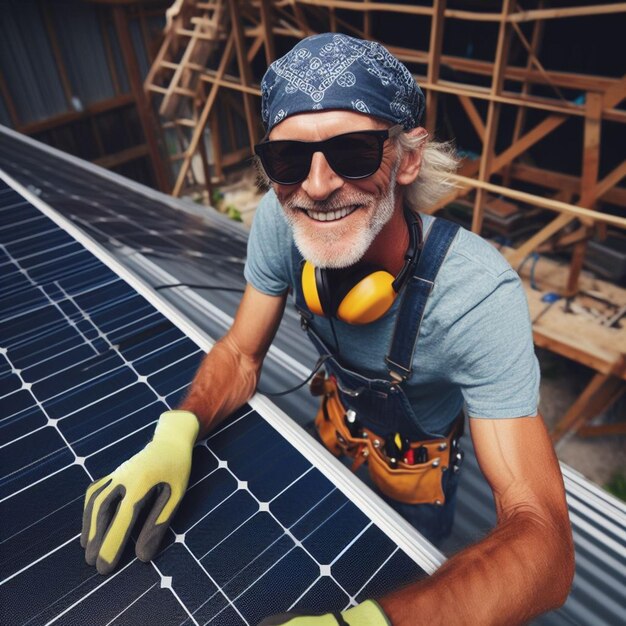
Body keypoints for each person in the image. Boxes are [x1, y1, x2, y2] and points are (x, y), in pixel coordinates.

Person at [81, 33, 574, 625]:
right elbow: (240, 353)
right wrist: (176, 429)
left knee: (399, 571)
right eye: (288, 160)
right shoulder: (277, 221)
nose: (316, 186)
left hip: (412, 483)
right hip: (332, 441)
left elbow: (543, 540)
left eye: (354, 152)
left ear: (408, 158)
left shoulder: (478, 298)